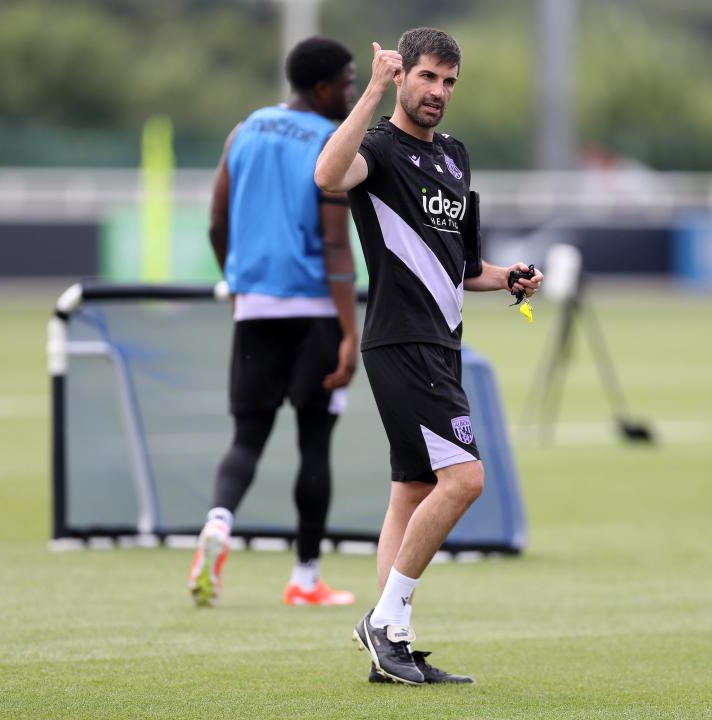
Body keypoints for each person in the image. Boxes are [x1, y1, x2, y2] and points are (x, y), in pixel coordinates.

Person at [314, 28, 543, 684]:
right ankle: (384, 620)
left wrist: (509, 277)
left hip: (442, 344)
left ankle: (392, 643)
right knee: (465, 480)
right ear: (402, 77)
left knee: (413, 491)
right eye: (427, 77)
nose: (439, 91)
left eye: (449, 81)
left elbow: (464, 267)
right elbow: (327, 175)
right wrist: (371, 92)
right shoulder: (378, 150)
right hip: (402, 340)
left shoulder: (456, 157)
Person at [187, 37, 360, 609]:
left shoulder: (244, 130)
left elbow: (216, 222)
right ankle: (305, 579)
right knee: (314, 445)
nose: (352, 93)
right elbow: (335, 245)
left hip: (255, 308)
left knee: (247, 438)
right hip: (314, 312)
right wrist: (349, 331)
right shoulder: (330, 141)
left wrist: (237, 285)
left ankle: (218, 522)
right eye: (347, 83)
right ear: (322, 88)